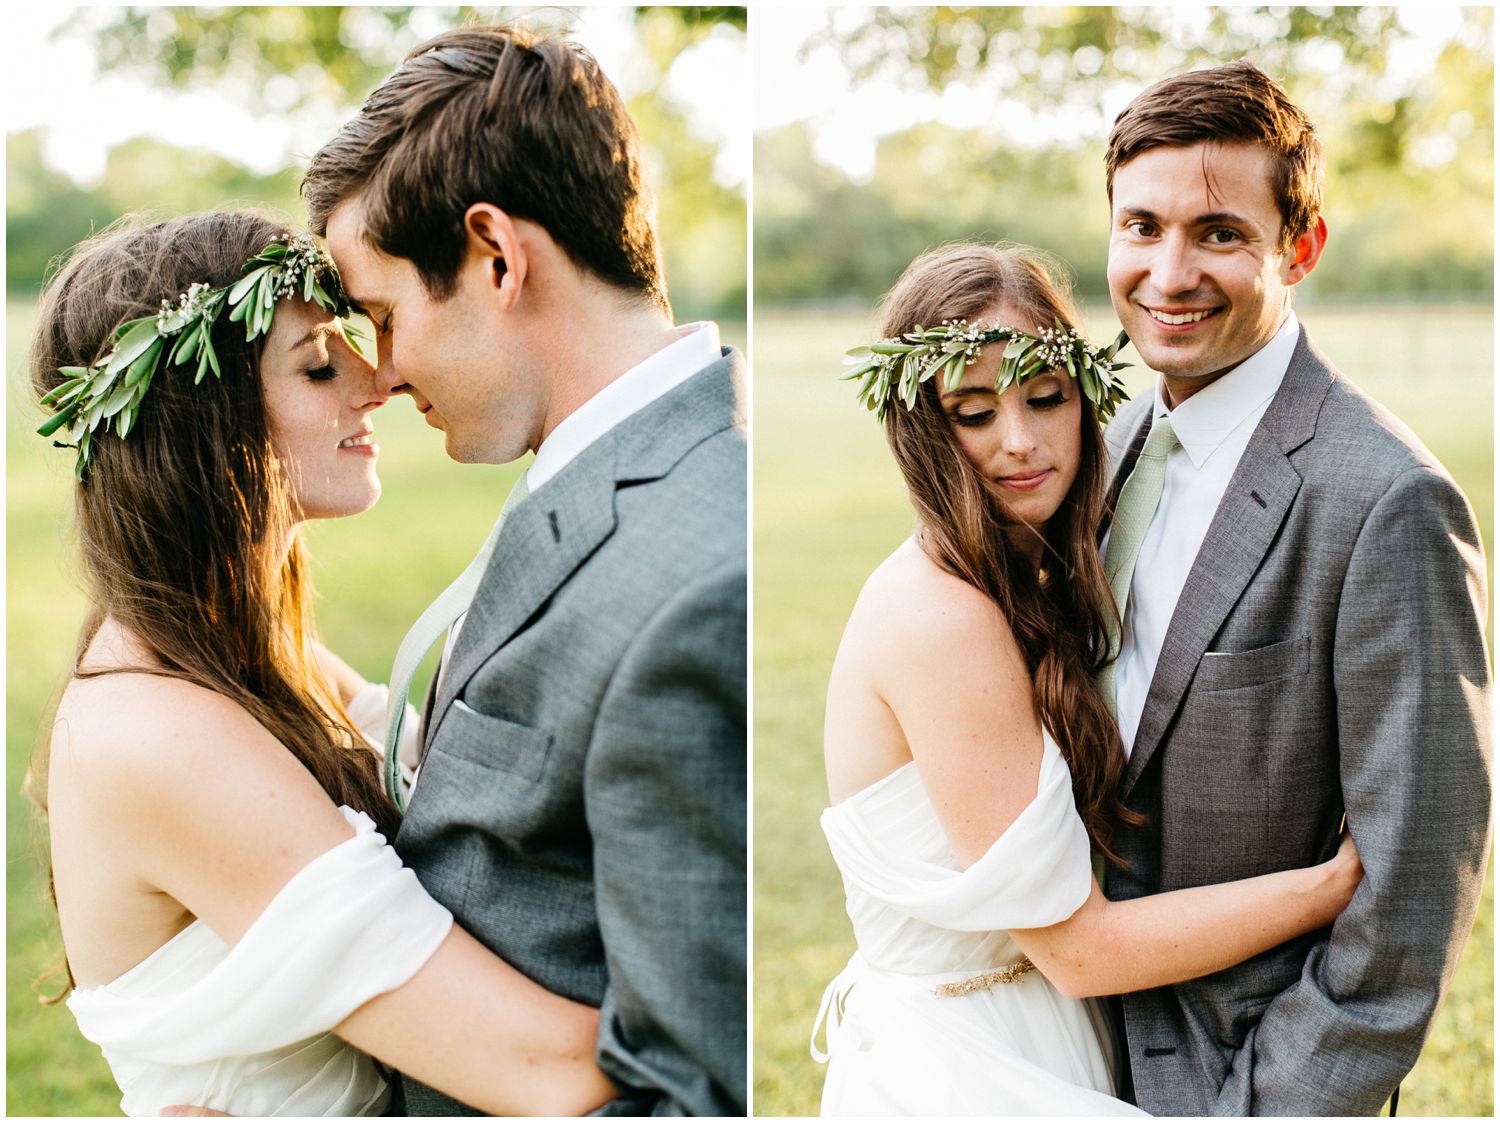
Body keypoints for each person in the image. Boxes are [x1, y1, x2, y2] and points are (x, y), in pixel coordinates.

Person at [32, 210, 617, 1116]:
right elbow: (544, 1068)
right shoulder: (158, 733)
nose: (377, 378)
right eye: (316, 363)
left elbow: (453, 793)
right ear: (202, 425)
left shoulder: (249, 654)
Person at [301, 23, 747, 1116]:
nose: (385, 374)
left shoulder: (700, 582)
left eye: (385, 316)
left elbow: (691, 1085)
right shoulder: (601, 467)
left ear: (497, 255)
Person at [813, 242, 1362, 1116]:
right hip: (967, 1064)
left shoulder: (1039, 576)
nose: (1020, 441)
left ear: (1085, 400)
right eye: (973, 412)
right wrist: (1329, 885)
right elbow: (1078, 949)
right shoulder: (942, 616)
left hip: (1052, 1029)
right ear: (921, 425)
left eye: (1044, 398)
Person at [1098, 60, 1491, 1115]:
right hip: (1069, 1053)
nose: (1168, 272)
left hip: (1239, 1074)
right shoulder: (1105, 446)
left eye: (1218, 233)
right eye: (1142, 227)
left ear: (1299, 248)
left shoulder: (1388, 500)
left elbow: (1412, 888)